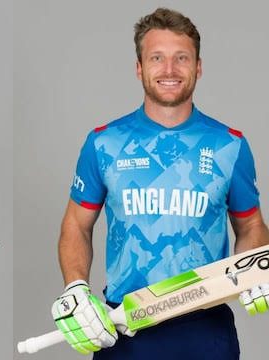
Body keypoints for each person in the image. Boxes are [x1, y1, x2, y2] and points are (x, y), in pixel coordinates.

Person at [51, 8, 269, 360]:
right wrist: (76, 287)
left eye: (181, 58)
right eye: (157, 58)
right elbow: (76, 224)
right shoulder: (104, 143)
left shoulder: (230, 145)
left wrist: (253, 267)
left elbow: (252, 225)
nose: (169, 70)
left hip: (205, 326)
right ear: (139, 68)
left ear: (198, 67)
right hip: (124, 327)